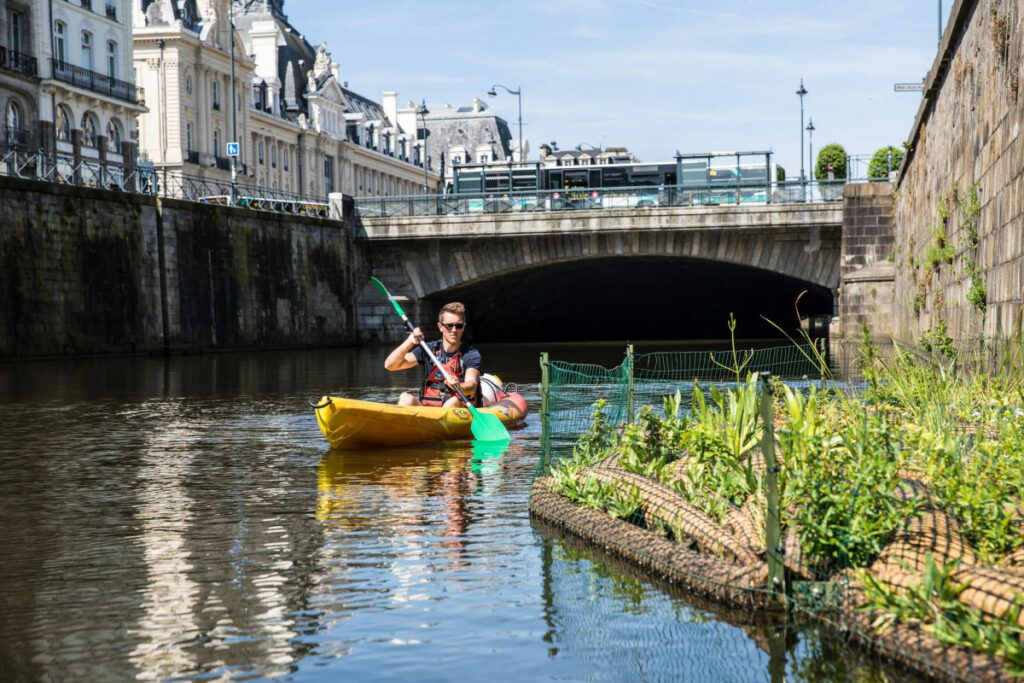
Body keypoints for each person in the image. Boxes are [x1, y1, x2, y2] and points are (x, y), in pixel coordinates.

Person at [384, 302, 481, 407]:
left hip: (458, 410)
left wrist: (459, 386)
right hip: (430, 410)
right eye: (449, 326)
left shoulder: (471, 354)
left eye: (458, 326)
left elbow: (472, 385)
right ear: (440, 327)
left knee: (452, 402)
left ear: (463, 327)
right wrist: (410, 342)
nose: (454, 330)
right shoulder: (429, 349)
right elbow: (390, 365)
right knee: (405, 398)